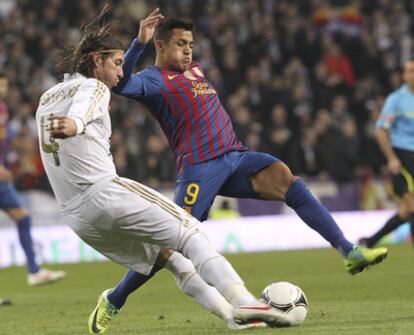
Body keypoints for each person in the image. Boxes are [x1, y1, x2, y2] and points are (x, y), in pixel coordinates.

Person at [101, 16, 389, 329]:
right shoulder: (153, 79)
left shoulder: (196, 69)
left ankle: (348, 250)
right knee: (169, 247)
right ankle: (115, 298)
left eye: (191, 45)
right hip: (200, 169)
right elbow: (121, 83)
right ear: (160, 45)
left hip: (236, 157)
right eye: (180, 45)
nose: (187, 51)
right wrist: (138, 43)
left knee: (289, 181)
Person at [35, 7, 291, 334]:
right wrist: (74, 124)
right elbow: (81, 114)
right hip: (104, 194)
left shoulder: (46, 98)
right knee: (190, 231)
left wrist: (71, 123)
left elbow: (57, 135)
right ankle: (243, 300)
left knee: (171, 257)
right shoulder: (94, 88)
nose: (121, 71)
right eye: (116, 63)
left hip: (77, 218)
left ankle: (230, 316)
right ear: (96, 61)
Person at [0, 72, 65, 286]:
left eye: (5, 85)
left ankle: (34, 271)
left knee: (23, 217)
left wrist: (17, 151)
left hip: (3, 181)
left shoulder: (3, 109)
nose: (3, 90)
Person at [359, 59, 414, 248]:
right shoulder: (396, 100)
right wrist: (391, 157)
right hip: (404, 156)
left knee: (406, 211)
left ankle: (370, 241)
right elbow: (381, 129)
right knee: (412, 203)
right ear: (404, 76)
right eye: (409, 71)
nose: (411, 74)